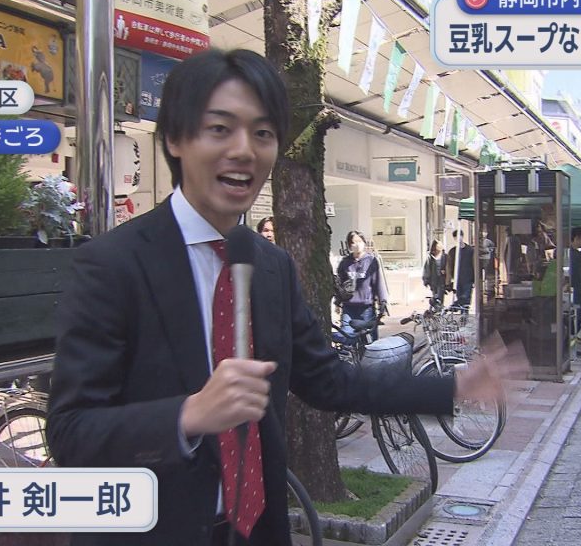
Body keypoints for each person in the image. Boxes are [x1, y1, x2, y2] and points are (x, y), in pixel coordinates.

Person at [46, 49, 522, 546]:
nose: (244, 150)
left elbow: (330, 382)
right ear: (175, 139)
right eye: (220, 129)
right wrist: (189, 415)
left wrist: (451, 387)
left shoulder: (271, 266)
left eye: (263, 133)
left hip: (257, 530)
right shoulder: (112, 264)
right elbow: (71, 432)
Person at [336, 230, 387, 342]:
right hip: (348, 307)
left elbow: (378, 282)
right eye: (354, 242)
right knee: (346, 337)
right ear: (350, 245)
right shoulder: (345, 263)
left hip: (366, 308)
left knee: (369, 340)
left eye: (359, 241)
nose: (357, 245)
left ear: (364, 243)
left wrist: (383, 302)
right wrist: (337, 302)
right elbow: (339, 283)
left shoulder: (371, 261)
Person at [446, 230, 475, 311]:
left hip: (468, 278)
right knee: (460, 298)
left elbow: (474, 264)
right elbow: (449, 266)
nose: (458, 239)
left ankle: (464, 314)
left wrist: (475, 278)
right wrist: (448, 281)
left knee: (466, 298)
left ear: (462, 236)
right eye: (456, 237)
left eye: (459, 236)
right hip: (457, 279)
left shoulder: (470, 250)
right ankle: (461, 313)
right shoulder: (452, 251)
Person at [423, 240, 447, 310]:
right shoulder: (430, 258)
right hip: (433, 280)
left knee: (440, 295)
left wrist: (445, 272)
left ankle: (439, 308)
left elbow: (448, 266)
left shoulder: (444, 256)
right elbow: (427, 269)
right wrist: (426, 280)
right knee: (435, 295)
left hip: (442, 280)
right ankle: (436, 308)